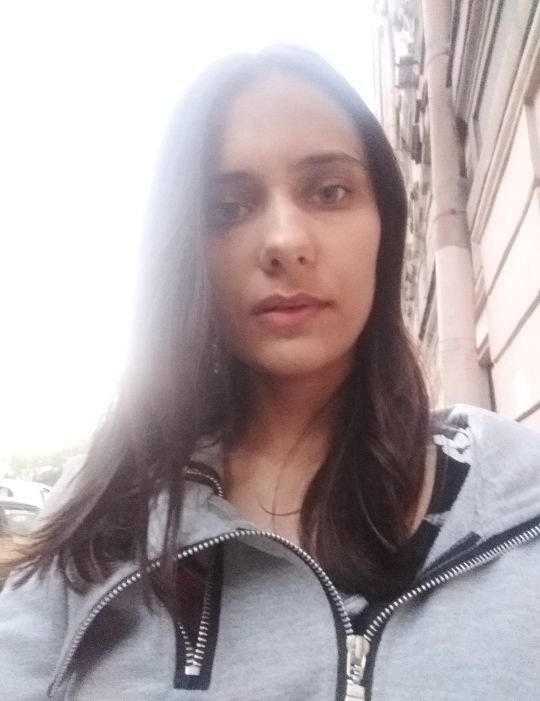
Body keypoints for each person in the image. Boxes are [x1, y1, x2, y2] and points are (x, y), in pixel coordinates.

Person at [1, 45, 540, 701]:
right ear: (187, 251)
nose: (284, 241)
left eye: (329, 191)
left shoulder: (519, 499)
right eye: (229, 207)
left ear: (385, 224)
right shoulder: (101, 516)